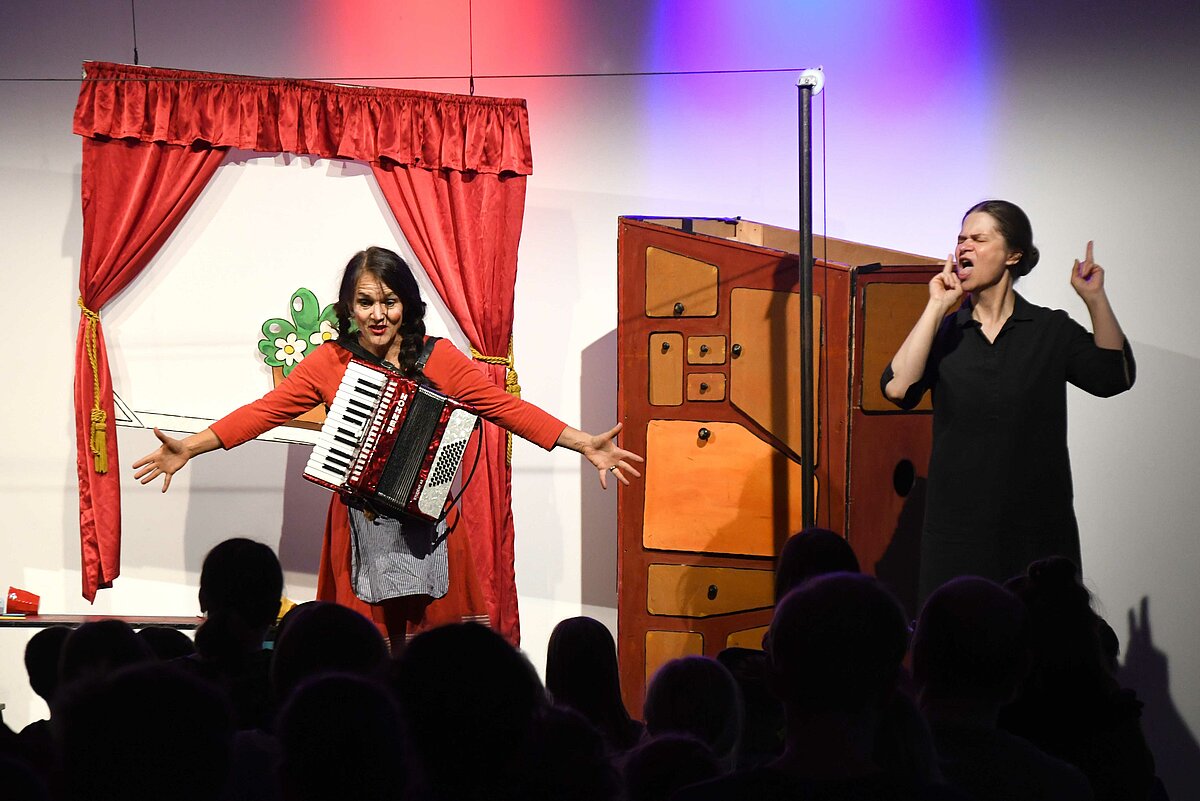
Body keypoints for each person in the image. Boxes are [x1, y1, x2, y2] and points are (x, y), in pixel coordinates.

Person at [133, 246, 642, 646]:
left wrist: (582, 443)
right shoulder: (329, 363)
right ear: (349, 307)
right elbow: (263, 413)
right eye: (366, 302)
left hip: (430, 523)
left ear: (407, 304)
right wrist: (191, 448)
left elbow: (500, 406)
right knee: (365, 653)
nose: (378, 315)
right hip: (359, 525)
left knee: (433, 656)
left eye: (389, 301)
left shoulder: (438, 358)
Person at [882, 200, 1134, 604]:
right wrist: (936, 305)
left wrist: (1094, 299)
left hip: (1037, 534)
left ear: (1013, 255)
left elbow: (1113, 376)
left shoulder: (1049, 329)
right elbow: (898, 389)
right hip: (957, 535)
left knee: (1041, 649)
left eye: (979, 239)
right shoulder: (947, 332)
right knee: (958, 648)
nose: (965, 247)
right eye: (961, 238)